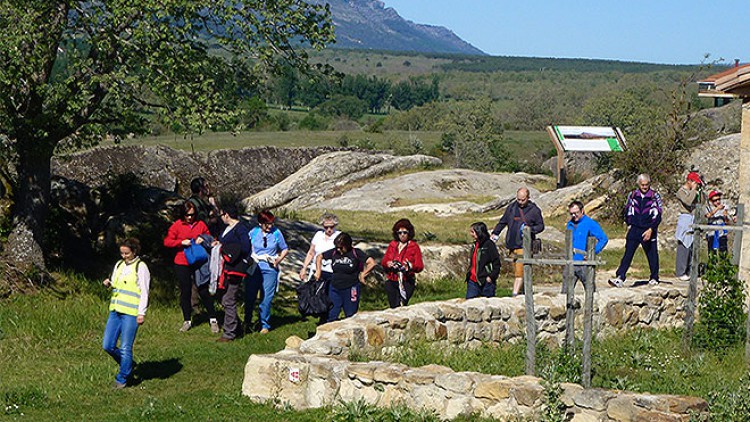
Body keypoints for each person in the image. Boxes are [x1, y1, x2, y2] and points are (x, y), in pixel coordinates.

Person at [163, 201, 219, 333]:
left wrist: (203, 239)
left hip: (199, 261)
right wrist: (180, 242)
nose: (190, 217)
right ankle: (187, 320)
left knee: (203, 289)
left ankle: (213, 319)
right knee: (185, 291)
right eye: (187, 215)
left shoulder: (200, 224)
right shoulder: (177, 225)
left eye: (192, 215)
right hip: (182, 261)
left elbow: (209, 237)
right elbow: (167, 241)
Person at [102, 238, 150, 389]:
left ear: (134, 252)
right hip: (115, 310)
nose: (124, 256)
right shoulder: (119, 265)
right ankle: (128, 364)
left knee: (125, 347)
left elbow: (144, 292)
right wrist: (109, 283)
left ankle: (123, 378)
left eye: (127, 253)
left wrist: (141, 313)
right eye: (122, 253)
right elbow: (117, 283)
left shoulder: (141, 267)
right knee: (107, 345)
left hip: (131, 313)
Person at [609, 174, 663, 288]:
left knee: (652, 254)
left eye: (647, 184)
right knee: (628, 253)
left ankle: (654, 277)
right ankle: (620, 277)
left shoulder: (655, 196)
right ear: (638, 184)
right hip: (634, 228)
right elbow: (627, 209)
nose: (644, 187)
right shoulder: (633, 195)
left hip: (648, 228)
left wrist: (651, 229)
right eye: (642, 184)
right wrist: (629, 224)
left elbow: (658, 214)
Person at [490, 187, 545, 296]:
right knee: (516, 270)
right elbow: (503, 221)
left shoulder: (534, 210)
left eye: (523, 200)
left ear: (528, 198)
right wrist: (495, 233)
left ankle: (514, 294)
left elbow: (541, 226)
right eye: (518, 199)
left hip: (524, 245)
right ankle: (523, 292)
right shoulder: (512, 207)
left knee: (519, 272)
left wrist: (529, 230)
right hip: (511, 244)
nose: (520, 202)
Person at [315, 232, 376, 322]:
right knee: (332, 313)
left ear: (347, 245)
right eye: (337, 247)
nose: (339, 250)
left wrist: (363, 274)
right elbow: (319, 257)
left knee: (350, 314)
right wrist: (318, 271)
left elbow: (371, 262)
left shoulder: (356, 253)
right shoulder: (334, 252)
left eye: (341, 247)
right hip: (335, 287)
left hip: (351, 287)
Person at [245, 210, 289, 334]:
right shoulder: (253, 232)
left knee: (266, 298)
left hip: (269, 269)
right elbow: (246, 246)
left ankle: (264, 324)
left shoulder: (276, 233)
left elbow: (285, 249)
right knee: (250, 296)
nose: (270, 226)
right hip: (254, 267)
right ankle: (247, 322)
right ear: (260, 223)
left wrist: (278, 260)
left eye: (271, 223)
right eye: (267, 224)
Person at [214, 203, 251, 342]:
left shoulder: (240, 229)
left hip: (235, 269)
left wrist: (228, 249)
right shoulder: (228, 229)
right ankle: (237, 327)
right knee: (224, 298)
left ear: (227, 215)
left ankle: (230, 332)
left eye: (222, 215)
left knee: (229, 299)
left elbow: (245, 247)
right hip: (226, 268)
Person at [299, 213, 340, 322]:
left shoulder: (339, 236)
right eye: (326, 227)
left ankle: (328, 319)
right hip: (318, 270)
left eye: (332, 227)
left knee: (330, 296)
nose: (329, 230)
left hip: (332, 270)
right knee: (317, 295)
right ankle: (317, 315)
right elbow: (311, 252)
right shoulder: (318, 235)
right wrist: (304, 267)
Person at [562, 201, 608, 293]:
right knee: (565, 293)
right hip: (570, 262)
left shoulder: (590, 223)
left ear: (582, 211)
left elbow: (603, 239)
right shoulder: (569, 224)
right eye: (571, 214)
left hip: (585, 263)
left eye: (576, 213)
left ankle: (593, 307)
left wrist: (592, 252)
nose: (574, 215)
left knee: (590, 291)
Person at [381, 218, 425, 308]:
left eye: (405, 232)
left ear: (409, 233)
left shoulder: (414, 246)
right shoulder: (393, 245)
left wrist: (410, 266)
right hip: (392, 279)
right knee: (393, 306)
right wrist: (388, 263)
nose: (402, 235)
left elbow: (420, 266)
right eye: (399, 233)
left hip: (406, 281)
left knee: (401, 305)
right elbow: (384, 261)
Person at [674, 171, 703, 281]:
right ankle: (680, 271)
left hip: (693, 218)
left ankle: (690, 270)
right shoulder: (681, 191)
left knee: (692, 245)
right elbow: (688, 202)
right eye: (695, 183)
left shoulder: (694, 192)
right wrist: (694, 190)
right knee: (684, 245)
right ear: (689, 181)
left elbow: (701, 202)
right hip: (685, 218)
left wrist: (699, 191)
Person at [466, 222, 502, 299]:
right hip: (473, 281)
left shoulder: (489, 245)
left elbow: (496, 262)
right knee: (470, 303)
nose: (471, 234)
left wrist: (491, 277)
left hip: (486, 281)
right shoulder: (474, 245)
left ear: (479, 232)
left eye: (473, 232)